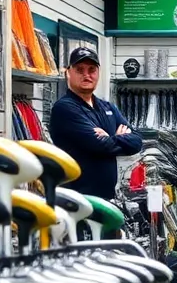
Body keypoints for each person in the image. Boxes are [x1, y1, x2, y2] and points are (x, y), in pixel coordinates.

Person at [49, 46, 142, 201]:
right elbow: (101, 146)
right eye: (80, 69)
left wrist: (110, 138)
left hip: (106, 199)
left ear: (98, 73)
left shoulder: (108, 107)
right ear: (68, 73)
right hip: (76, 200)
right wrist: (117, 138)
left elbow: (137, 141)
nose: (87, 75)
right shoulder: (64, 108)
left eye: (92, 69)